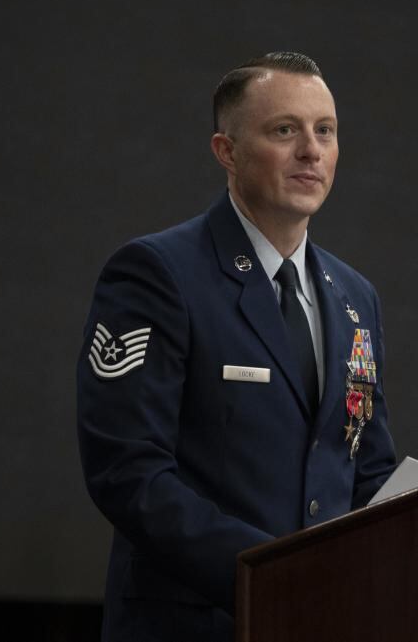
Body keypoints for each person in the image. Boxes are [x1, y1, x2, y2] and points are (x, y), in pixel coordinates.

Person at [77, 51, 397, 642]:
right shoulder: (158, 274)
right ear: (226, 151)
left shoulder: (356, 296)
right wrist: (270, 572)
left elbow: (365, 465)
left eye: (325, 131)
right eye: (285, 130)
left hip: (323, 620)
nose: (312, 150)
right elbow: (128, 471)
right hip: (195, 622)